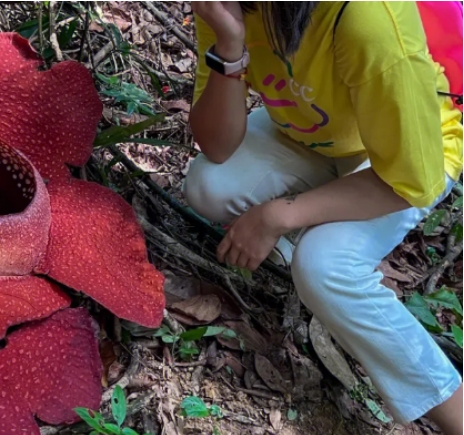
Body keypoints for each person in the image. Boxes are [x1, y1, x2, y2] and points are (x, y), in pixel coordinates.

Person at [184, 2, 463, 433]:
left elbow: (413, 180)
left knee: (324, 265)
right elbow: (217, 147)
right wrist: (230, 42)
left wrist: (278, 215)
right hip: (314, 133)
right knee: (209, 185)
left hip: (409, 150)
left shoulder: (366, 16)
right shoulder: (230, 6)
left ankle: (456, 414)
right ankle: (301, 233)